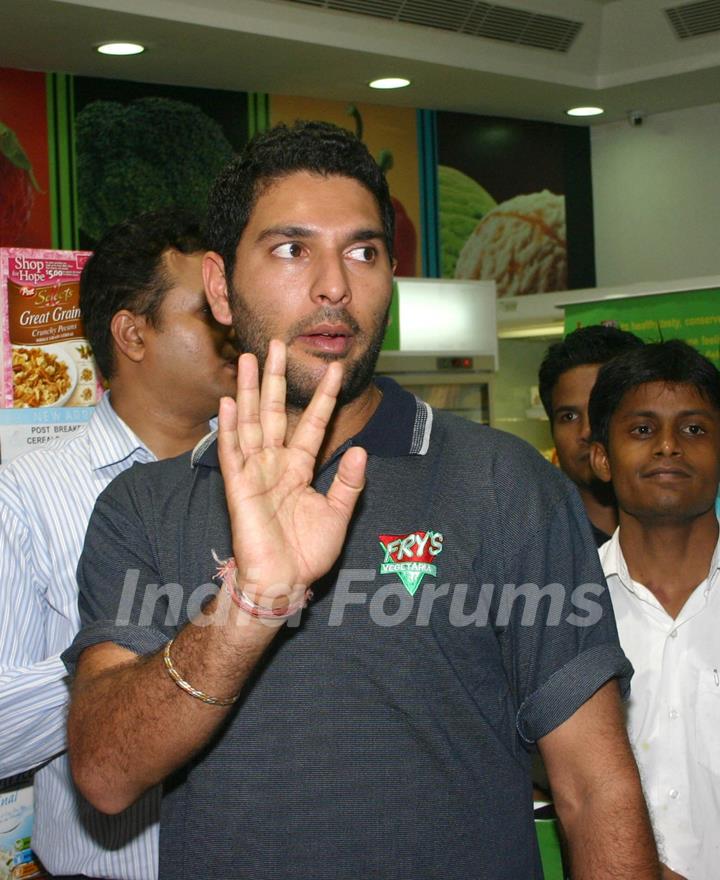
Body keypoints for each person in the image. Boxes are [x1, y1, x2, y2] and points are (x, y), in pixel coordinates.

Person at [64, 121, 660, 880]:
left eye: (363, 251)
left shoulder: (503, 483)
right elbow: (107, 772)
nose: (334, 285)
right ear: (219, 286)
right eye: (291, 249)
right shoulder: (143, 504)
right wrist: (250, 604)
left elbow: (594, 786)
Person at [0, 208, 238, 879]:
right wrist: (140, 660)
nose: (236, 330)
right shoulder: (24, 495)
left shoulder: (275, 479)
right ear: (134, 334)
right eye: (209, 314)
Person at [589, 339, 720, 880]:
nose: (669, 446)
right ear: (601, 456)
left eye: (694, 429)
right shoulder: (563, 608)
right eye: (642, 430)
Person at [539, 324, 644, 546]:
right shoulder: (535, 544)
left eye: (603, 410)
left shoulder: (696, 528)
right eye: (569, 417)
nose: (587, 431)